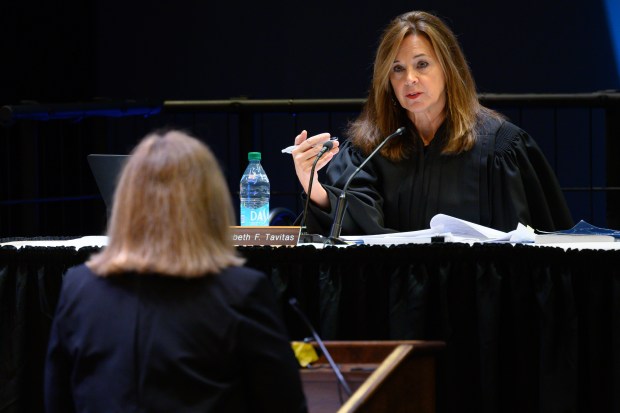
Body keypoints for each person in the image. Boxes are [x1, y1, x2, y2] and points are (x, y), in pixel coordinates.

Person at [44, 129, 307, 413]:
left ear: (125, 201)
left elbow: (58, 401)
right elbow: (283, 403)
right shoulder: (242, 291)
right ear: (211, 203)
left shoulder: (79, 288)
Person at [291, 10, 573, 236]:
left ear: (449, 68)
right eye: (397, 69)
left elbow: (537, 244)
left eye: (422, 64)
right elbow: (356, 226)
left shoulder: (500, 148)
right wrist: (312, 184)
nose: (409, 79)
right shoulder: (369, 150)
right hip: (395, 295)